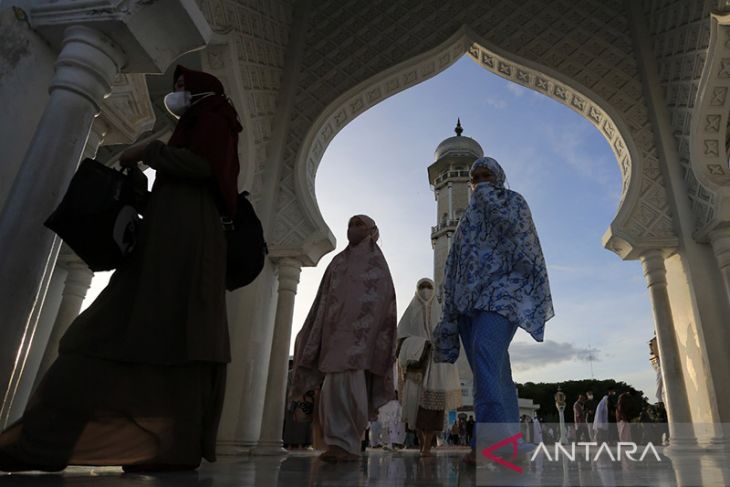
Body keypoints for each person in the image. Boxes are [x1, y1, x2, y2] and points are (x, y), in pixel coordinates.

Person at [0, 65, 241, 473]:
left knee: (151, 335)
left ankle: (159, 448)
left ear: (203, 92)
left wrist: (147, 152)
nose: (177, 92)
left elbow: (204, 168)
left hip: (184, 248)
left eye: (184, 87)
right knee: (115, 334)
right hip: (165, 243)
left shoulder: (215, 120)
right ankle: (47, 442)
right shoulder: (195, 126)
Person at [432, 156, 554, 463]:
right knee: (495, 370)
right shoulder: (466, 220)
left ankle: (488, 444)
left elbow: (520, 238)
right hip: (468, 303)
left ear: (498, 178)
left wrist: (489, 201)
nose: (480, 183)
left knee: (486, 352)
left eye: (486, 176)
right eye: (475, 179)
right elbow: (454, 263)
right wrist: (450, 311)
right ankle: (509, 442)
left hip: (504, 295)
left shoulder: (513, 203)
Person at [290, 215, 397, 462]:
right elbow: (324, 299)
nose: (353, 229)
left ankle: (348, 444)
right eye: (350, 224)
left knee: (350, 385)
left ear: (372, 230)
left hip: (361, 339)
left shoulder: (377, 264)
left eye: (360, 224)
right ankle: (337, 443)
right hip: (334, 336)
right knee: (332, 388)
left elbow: (384, 304)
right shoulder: (338, 262)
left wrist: (366, 331)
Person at [396, 278, 461, 457]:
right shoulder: (410, 313)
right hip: (417, 365)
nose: (425, 290)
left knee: (432, 409)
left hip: (437, 364)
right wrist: (421, 345)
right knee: (415, 407)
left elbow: (449, 334)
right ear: (417, 290)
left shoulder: (440, 311)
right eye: (422, 287)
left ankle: (427, 446)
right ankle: (422, 443)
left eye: (429, 286)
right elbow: (399, 338)